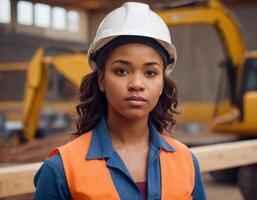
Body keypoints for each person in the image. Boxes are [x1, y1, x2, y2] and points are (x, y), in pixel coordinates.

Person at [34, 2, 206, 200]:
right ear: (101, 80)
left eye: (150, 73)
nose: (136, 84)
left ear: (161, 84)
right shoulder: (61, 168)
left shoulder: (185, 161)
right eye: (121, 71)